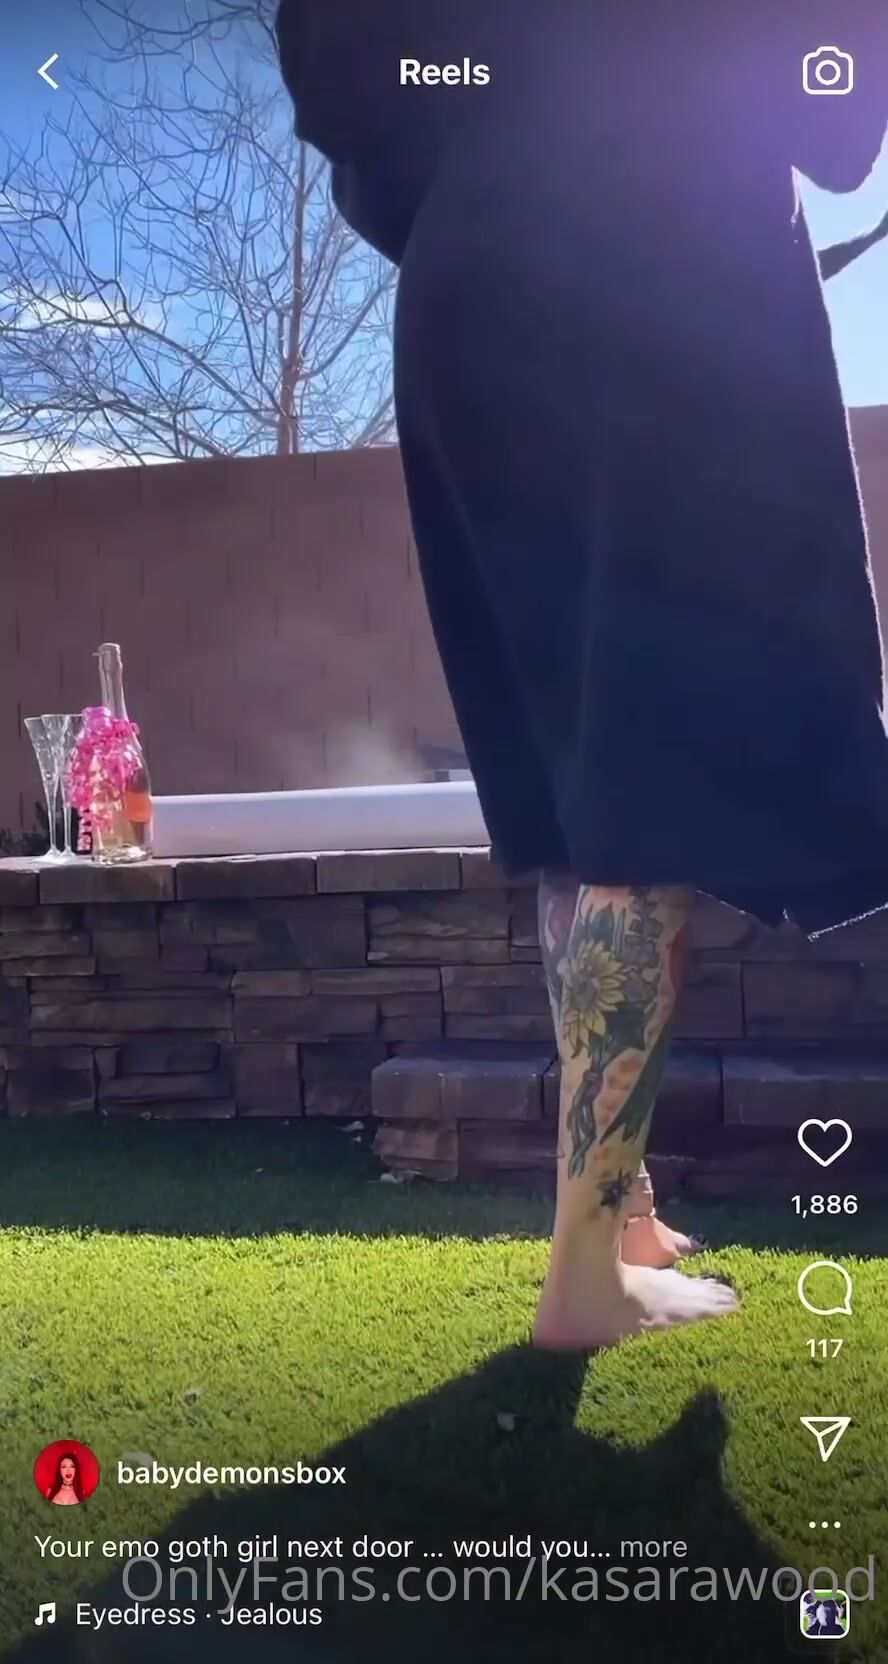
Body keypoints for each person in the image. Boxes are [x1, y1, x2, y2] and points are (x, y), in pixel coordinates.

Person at [276, 2, 888, 1345]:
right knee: (642, 780)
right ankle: (583, 1282)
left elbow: (339, 67)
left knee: (572, 786)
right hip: (663, 266)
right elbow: (835, 110)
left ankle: (622, 1213)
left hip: (470, 285)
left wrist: (489, 162)